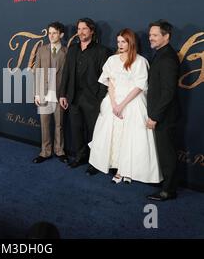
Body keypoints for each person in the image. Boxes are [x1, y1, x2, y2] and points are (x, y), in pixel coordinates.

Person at [88, 28, 162, 184]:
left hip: (132, 103)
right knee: (114, 135)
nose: (120, 45)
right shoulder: (112, 60)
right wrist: (114, 103)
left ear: (131, 42)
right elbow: (110, 83)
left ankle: (125, 170)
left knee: (129, 138)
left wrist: (122, 105)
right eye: (118, 42)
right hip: (112, 103)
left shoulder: (141, 61)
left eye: (124, 41)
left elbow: (139, 86)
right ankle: (114, 166)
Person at [59, 18, 111, 175]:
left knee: (94, 132)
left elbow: (106, 77)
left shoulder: (102, 51)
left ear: (92, 31)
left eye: (84, 29)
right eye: (79, 29)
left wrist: (100, 97)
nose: (81, 32)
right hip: (73, 97)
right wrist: (63, 94)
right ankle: (80, 156)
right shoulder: (73, 49)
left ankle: (94, 163)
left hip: (92, 99)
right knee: (76, 129)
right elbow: (66, 73)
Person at [146, 20, 180, 201]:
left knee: (167, 154)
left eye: (155, 35)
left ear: (166, 36)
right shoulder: (160, 54)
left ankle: (168, 190)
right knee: (164, 152)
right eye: (150, 34)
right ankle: (166, 185)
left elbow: (168, 92)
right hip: (162, 115)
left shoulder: (167, 58)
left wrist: (155, 116)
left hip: (165, 117)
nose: (150, 38)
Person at [33, 22, 68, 164]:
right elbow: (37, 72)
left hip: (59, 94)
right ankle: (45, 152)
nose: (51, 36)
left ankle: (59, 151)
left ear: (61, 35)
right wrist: (36, 93)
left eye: (54, 33)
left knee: (59, 124)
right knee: (45, 124)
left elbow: (68, 75)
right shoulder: (41, 50)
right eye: (49, 33)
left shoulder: (67, 52)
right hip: (43, 93)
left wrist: (65, 94)